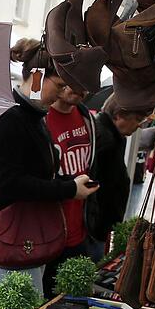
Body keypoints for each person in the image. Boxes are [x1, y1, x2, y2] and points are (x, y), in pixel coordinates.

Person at [0, 38, 98, 295]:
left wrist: (68, 185)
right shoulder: (9, 118)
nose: (61, 93)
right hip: (6, 231)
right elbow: (9, 185)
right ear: (37, 76)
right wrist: (67, 189)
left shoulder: (34, 117)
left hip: (23, 231)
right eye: (60, 84)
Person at [41, 84, 96, 298]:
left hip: (79, 231)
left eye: (87, 80)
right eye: (73, 78)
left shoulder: (86, 118)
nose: (80, 86)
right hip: (45, 233)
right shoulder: (41, 119)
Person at [85, 95, 152, 261]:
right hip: (95, 226)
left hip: (99, 225)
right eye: (136, 119)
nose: (138, 126)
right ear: (118, 115)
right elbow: (97, 185)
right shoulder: (106, 139)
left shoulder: (112, 136)